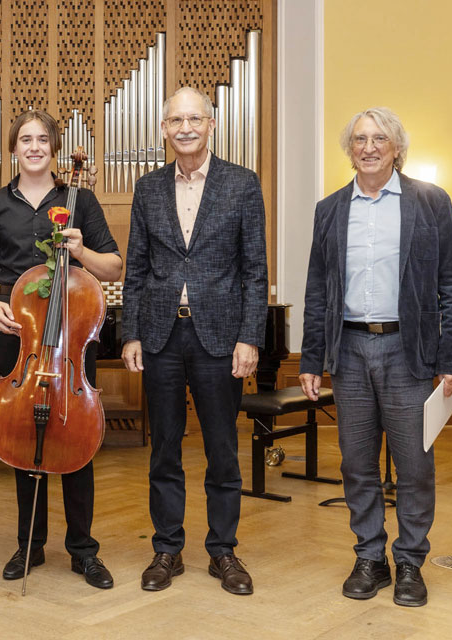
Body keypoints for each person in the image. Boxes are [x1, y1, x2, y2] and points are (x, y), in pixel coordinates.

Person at [300, 107, 452, 607]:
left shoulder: (430, 201)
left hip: (408, 351)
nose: (369, 147)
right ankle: (370, 557)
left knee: (414, 465)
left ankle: (411, 562)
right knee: (357, 463)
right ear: (349, 149)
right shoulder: (329, 209)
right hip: (349, 351)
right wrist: (311, 359)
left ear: (397, 148)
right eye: (360, 139)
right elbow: (317, 289)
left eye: (379, 139)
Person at [122, 86, 266, 596]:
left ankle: (223, 550)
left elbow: (255, 270)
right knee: (164, 448)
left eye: (194, 119)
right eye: (176, 120)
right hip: (161, 335)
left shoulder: (242, 184)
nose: (185, 128)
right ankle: (167, 548)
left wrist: (250, 336)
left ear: (211, 124)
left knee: (222, 448)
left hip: (220, 337)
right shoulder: (147, 188)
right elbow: (136, 268)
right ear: (164, 129)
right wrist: (131, 332)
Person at [0, 109, 122, 590]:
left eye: (42, 139)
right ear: (13, 148)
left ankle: (84, 550)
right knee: (21, 434)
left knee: (76, 435)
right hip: (17, 331)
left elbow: (113, 266)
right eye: (25, 139)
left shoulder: (81, 200)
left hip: (72, 333)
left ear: (54, 149)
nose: (34, 147)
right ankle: (29, 544)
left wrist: (80, 252)